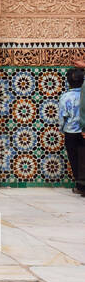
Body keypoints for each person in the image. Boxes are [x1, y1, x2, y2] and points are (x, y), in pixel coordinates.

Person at [58, 66, 85, 196]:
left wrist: (62, 129)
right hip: (83, 132)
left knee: (75, 160)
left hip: (71, 133)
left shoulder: (65, 97)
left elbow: (63, 116)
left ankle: (80, 186)